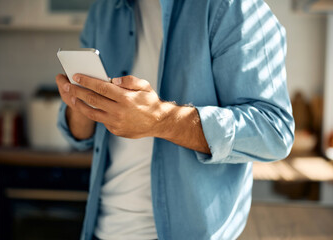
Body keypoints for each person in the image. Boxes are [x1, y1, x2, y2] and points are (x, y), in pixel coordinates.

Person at [55, 0, 294, 239]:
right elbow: (80, 137)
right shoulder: (104, 9)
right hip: (102, 231)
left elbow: (275, 131)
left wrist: (161, 120)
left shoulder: (232, 6)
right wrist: (80, 100)